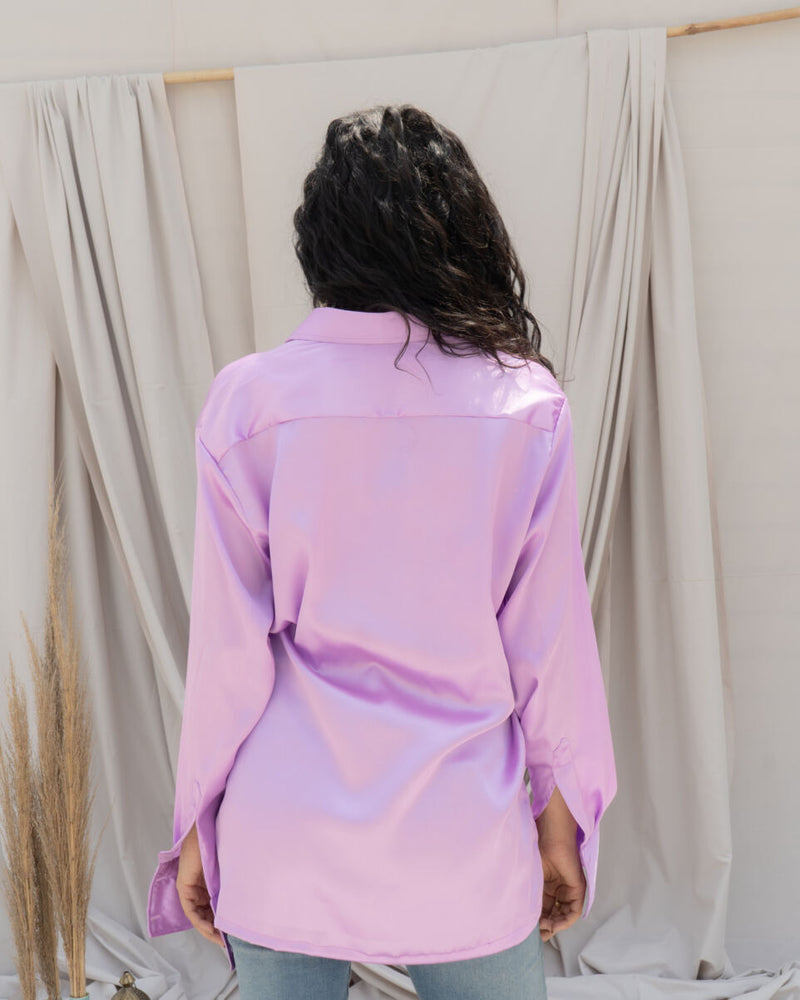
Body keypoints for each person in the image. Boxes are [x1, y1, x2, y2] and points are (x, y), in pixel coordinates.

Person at [146, 104, 617, 1000]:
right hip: (461, 839)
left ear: (321, 247)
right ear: (463, 235)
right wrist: (561, 823)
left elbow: (224, 659)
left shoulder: (248, 404)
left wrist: (200, 824)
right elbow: (549, 651)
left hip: (286, 835)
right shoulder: (524, 406)